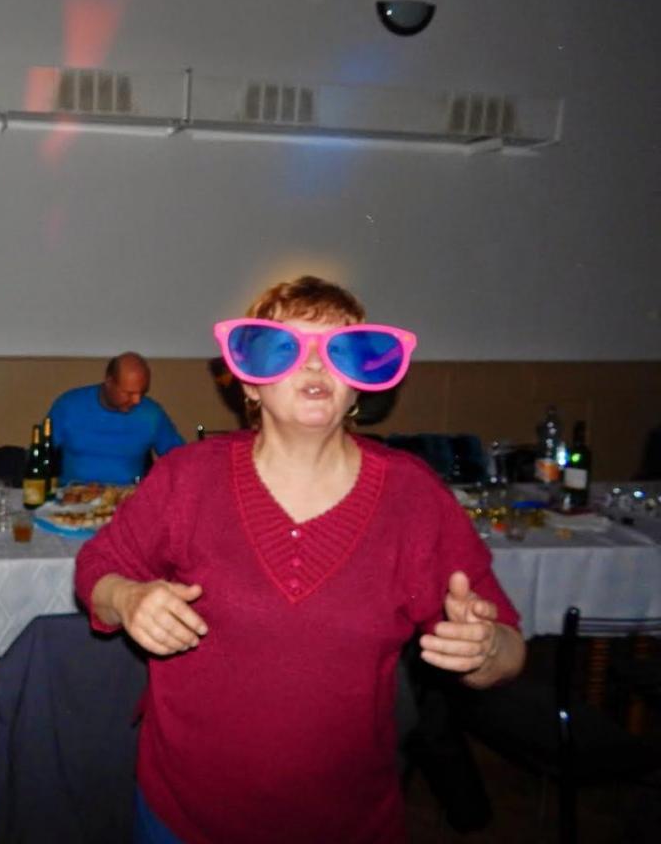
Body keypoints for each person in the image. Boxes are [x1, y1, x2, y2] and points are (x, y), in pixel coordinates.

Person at [75, 276, 525, 844]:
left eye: (340, 351)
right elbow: (96, 570)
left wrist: (486, 650)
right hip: (184, 813)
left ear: (359, 386)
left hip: (347, 819)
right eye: (284, 348)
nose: (315, 365)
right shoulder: (187, 478)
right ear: (250, 383)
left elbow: (508, 647)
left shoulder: (412, 496)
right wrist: (127, 597)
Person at [48, 352, 185, 485]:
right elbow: (42, 453)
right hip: (74, 495)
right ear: (109, 382)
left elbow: (181, 458)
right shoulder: (68, 406)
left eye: (142, 392)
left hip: (130, 496)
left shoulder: (151, 414)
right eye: (129, 393)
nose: (137, 400)